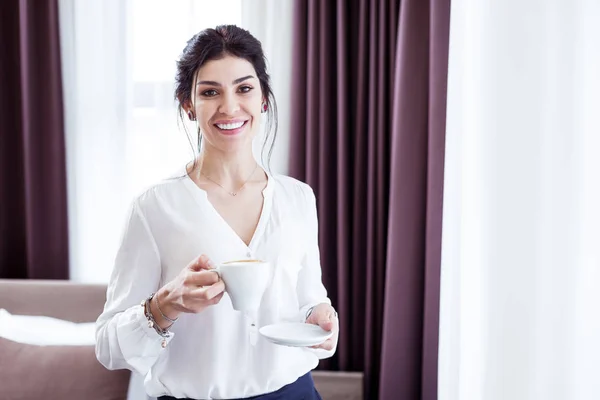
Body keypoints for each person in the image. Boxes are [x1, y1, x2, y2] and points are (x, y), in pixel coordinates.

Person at [95, 25, 339, 400]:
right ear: (188, 104)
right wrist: (165, 304)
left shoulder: (298, 198)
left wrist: (322, 316)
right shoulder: (154, 208)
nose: (229, 107)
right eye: (210, 92)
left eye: (244, 88)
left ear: (263, 99)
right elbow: (109, 347)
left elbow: (309, 298)